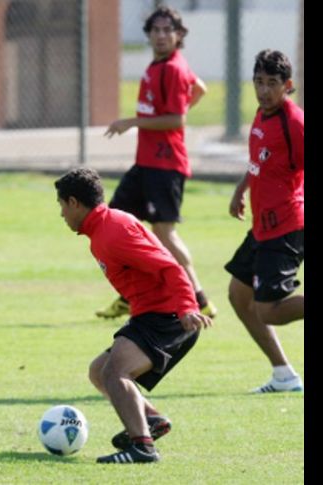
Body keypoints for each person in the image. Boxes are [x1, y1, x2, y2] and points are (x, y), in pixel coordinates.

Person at [55, 167, 212, 464]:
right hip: (151, 315)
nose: (62, 214)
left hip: (167, 317)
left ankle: (143, 447)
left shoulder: (114, 231)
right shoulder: (102, 229)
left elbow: (169, 267)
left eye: (62, 205)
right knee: (100, 370)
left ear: (75, 203)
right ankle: (151, 420)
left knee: (116, 373)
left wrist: (187, 307)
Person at [98, 5, 216, 320]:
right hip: (147, 163)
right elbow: (200, 88)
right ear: (149, 34)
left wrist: (132, 122)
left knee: (163, 232)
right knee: (117, 221)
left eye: (168, 30)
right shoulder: (161, 65)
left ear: (179, 36)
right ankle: (129, 296)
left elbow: (176, 119)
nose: (162, 35)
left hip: (165, 165)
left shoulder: (172, 69)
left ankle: (199, 297)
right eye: (156, 30)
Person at [225, 50, 304, 394]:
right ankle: (283, 374)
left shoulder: (295, 123)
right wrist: (241, 189)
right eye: (259, 82)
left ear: (288, 86)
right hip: (262, 227)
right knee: (239, 296)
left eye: (272, 84)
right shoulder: (261, 114)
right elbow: (259, 161)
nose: (264, 90)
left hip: (287, 226)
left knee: (268, 310)